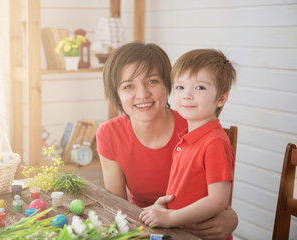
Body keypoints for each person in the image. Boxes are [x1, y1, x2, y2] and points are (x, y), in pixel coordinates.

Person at [96, 42, 238, 240]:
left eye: (152, 81)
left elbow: (217, 200)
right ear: (117, 95)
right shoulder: (109, 133)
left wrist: (232, 218)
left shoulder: (196, 126)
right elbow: (116, 209)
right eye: (128, 86)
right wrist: (149, 215)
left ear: (167, 87)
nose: (143, 94)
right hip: (145, 228)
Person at [139, 49, 236, 240]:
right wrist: (163, 211)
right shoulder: (187, 139)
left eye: (199, 88)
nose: (187, 95)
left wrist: (170, 218)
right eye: (180, 87)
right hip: (178, 231)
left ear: (221, 98)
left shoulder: (214, 142)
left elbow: (217, 200)